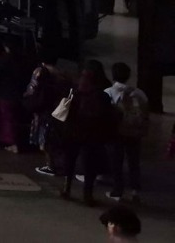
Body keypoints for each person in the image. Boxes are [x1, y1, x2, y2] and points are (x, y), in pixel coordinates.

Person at [60, 64, 119, 205]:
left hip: (73, 132)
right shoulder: (102, 95)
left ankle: (66, 188)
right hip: (93, 135)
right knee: (90, 166)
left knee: (70, 160)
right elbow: (107, 116)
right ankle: (87, 194)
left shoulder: (75, 91)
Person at [105, 62, 149, 204]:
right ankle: (135, 190)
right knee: (134, 162)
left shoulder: (109, 92)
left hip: (117, 132)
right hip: (134, 132)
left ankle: (117, 190)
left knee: (116, 162)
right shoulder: (139, 93)